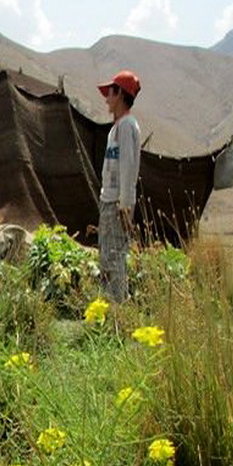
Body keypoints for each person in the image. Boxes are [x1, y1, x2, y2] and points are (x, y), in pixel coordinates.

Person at [97, 70, 142, 302]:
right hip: (109, 201)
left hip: (117, 204)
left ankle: (117, 311)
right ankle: (108, 308)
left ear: (121, 95)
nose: (107, 99)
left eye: (110, 93)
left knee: (114, 259)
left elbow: (127, 166)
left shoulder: (127, 127)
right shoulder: (116, 128)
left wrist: (124, 206)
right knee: (107, 256)